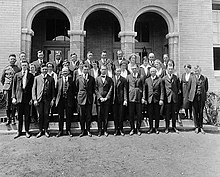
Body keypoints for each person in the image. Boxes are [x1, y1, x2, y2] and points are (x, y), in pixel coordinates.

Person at [12, 60, 34, 139]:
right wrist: (13, 97)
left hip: (27, 98)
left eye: (25, 65)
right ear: (21, 66)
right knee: (19, 116)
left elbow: (32, 88)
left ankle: (27, 131)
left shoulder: (31, 76)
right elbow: (14, 87)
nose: (24, 66)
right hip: (19, 98)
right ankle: (19, 131)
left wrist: (32, 98)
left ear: (28, 66)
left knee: (27, 116)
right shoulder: (17, 75)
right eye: (23, 65)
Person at [32, 64, 55, 138]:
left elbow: (53, 91)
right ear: (41, 70)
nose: (45, 70)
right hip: (39, 100)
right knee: (40, 115)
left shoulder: (51, 78)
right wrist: (35, 99)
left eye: (46, 69)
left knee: (46, 115)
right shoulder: (37, 78)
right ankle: (40, 130)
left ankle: (46, 130)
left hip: (47, 100)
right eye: (43, 69)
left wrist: (52, 99)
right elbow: (34, 89)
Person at [142, 67, 164, 134]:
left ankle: (156, 128)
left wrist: (161, 99)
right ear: (150, 72)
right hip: (150, 100)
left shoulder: (160, 80)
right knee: (150, 115)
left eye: (154, 71)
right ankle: (151, 128)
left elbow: (162, 91)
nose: (153, 73)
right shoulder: (147, 80)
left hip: (157, 100)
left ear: (156, 72)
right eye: (151, 71)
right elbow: (145, 90)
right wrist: (144, 98)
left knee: (157, 115)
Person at [187, 65, 208, 134]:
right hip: (194, 97)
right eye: (195, 71)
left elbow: (206, 88)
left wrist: (202, 94)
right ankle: (196, 127)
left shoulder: (204, 78)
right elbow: (189, 88)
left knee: (201, 112)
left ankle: (201, 127)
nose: (196, 72)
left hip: (201, 97)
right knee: (195, 112)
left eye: (198, 71)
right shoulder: (191, 77)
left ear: (200, 71)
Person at [76, 65, 95, 137]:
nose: (86, 70)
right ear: (82, 69)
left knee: (89, 116)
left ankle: (88, 130)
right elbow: (76, 88)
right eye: (84, 69)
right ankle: (82, 130)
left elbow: (93, 89)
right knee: (81, 116)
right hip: (81, 99)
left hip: (89, 99)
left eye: (87, 69)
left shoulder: (92, 79)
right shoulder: (79, 78)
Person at [1, 54, 20, 125]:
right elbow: (2, 79)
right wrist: (6, 86)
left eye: (14, 59)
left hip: (14, 89)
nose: (12, 60)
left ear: (15, 60)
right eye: (11, 59)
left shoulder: (17, 69)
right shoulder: (6, 69)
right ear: (9, 60)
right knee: (7, 104)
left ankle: (13, 118)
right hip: (7, 89)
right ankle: (8, 118)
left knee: (14, 104)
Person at [55, 67, 75, 137]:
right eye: (63, 71)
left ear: (68, 72)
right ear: (61, 72)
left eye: (66, 71)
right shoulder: (58, 81)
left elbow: (73, 91)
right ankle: (60, 130)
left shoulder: (71, 81)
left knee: (69, 116)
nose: (65, 73)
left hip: (68, 100)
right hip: (60, 101)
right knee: (60, 116)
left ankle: (68, 130)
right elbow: (56, 91)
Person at [162, 61, 180, 134]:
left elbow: (178, 88)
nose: (170, 70)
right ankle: (167, 127)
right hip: (167, 98)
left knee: (174, 113)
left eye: (171, 69)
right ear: (167, 69)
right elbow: (162, 89)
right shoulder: (164, 78)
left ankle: (174, 127)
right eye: (169, 69)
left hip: (174, 98)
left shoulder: (176, 77)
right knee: (167, 114)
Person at [95, 65, 113, 137]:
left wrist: (107, 97)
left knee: (105, 116)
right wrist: (100, 97)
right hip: (99, 100)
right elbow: (95, 89)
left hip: (106, 100)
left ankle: (105, 130)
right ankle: (99, 131)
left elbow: (111, 89)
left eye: (105, 69)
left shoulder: (109, 79)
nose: (104, 70)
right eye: (102, 69)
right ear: (100, 70)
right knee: (99, 116)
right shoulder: (97, 79)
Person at [127, 65, 142, 136]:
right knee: (131, 114)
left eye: (135, 68)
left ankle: (138, 128)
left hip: (139, 98)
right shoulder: (128, 77)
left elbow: (143, 88)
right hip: (131, 98)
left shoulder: (141, 77)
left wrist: (143, 97)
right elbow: (126, 88)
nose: (134, 70)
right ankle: (132, 128)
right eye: (133, 69)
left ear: (137, 69)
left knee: (139, 114)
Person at [112, 67, 127, 136]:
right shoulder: (112, 79)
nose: (118, 72)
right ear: (115, 71)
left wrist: (125, 99)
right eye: (117, 71)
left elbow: (125, 90)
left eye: (119, 71)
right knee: (115, 115)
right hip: (114, 100)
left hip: (121, 100)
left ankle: (121, 129)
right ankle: (116, 130)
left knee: (121, 115)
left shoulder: (123, 79)